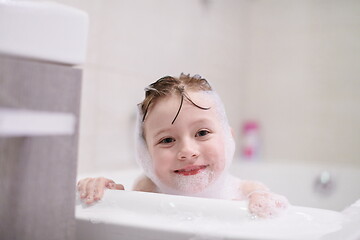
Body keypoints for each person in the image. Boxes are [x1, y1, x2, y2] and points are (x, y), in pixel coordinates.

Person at [77, 73, 289, 218]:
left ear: (228, 138)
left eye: (202, 133)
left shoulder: (248, 191)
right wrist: (106, 193)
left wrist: (260, 201)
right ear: (146, 153)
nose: (187, 151)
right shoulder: (147, 189)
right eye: (167, 140)